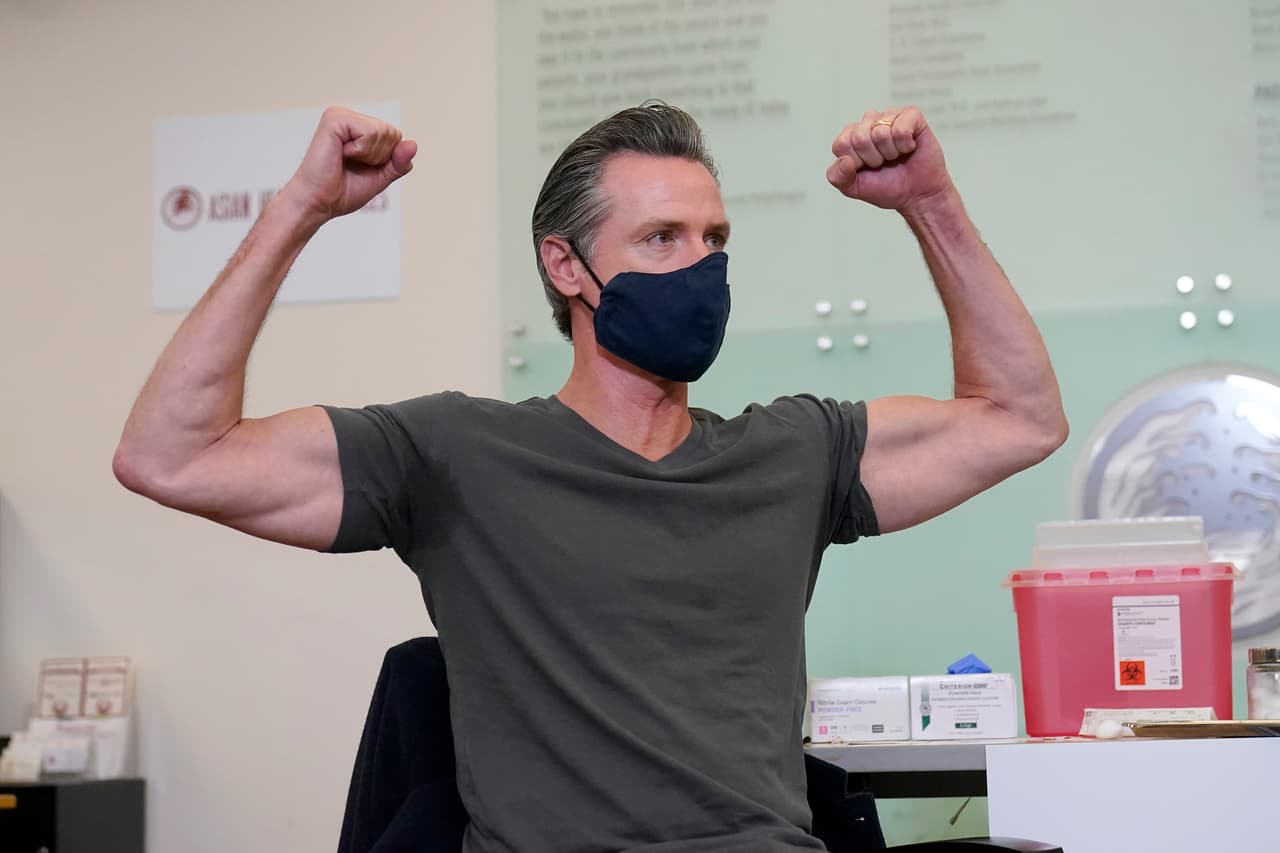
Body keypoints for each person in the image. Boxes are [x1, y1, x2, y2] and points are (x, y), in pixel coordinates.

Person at [114, 102, 1068, 852]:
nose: (700, 268)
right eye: (661, 240)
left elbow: (1019, 418)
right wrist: (300, 210)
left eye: (715, 240)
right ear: (566, 266)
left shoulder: (794, 453)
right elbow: (172, 453)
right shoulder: (457, 455)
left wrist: (929, 203)